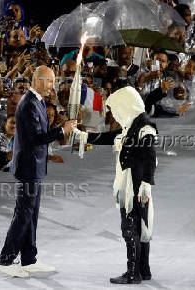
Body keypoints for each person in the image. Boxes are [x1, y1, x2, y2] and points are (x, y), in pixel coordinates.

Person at [0, 65, 77, 277]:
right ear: (39, 81)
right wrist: (61, 131)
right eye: (50, 81)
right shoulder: (30, 103)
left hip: (35, 166)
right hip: (28, 167)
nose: (52, 85)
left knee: (31, 213)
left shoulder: (39, 101)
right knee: (23, 214)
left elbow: (39, 135)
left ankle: (28, 259)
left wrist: (60, 127)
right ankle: (6, 260)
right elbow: (34, 140)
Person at [74, 86, 158, 284]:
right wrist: (83, 136)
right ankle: (143, 270)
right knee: (139, 225)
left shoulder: (145, 129)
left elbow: (150, 157)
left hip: (134, 185)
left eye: (117, 110)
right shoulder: (132, 127)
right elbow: (109, 137)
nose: (115, 115)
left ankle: (132, 273)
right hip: (131, 183)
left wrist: (146, 183)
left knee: (131, 226)